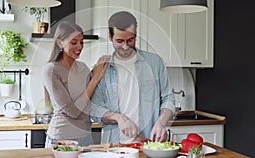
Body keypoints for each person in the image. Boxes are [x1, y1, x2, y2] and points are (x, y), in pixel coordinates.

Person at [90, 11, 175, 144]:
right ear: (110, 37)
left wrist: (161, 123)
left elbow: (168, 98)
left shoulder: (155, 62)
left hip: (148, 144)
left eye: (130, 40)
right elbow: (94, 109)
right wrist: (118, 118)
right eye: (119, 41)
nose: (125, 46)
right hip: (114, 146)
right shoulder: (102, 69)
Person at [43, 21, 109, 147]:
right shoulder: (51, 70)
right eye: (74, 42)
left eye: (81, 42)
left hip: (86, 137)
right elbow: (72, 111)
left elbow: (92, 99)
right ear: (59, 43)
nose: (79, 47)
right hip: (61, 140)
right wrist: (94, 79)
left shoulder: (83, 67)